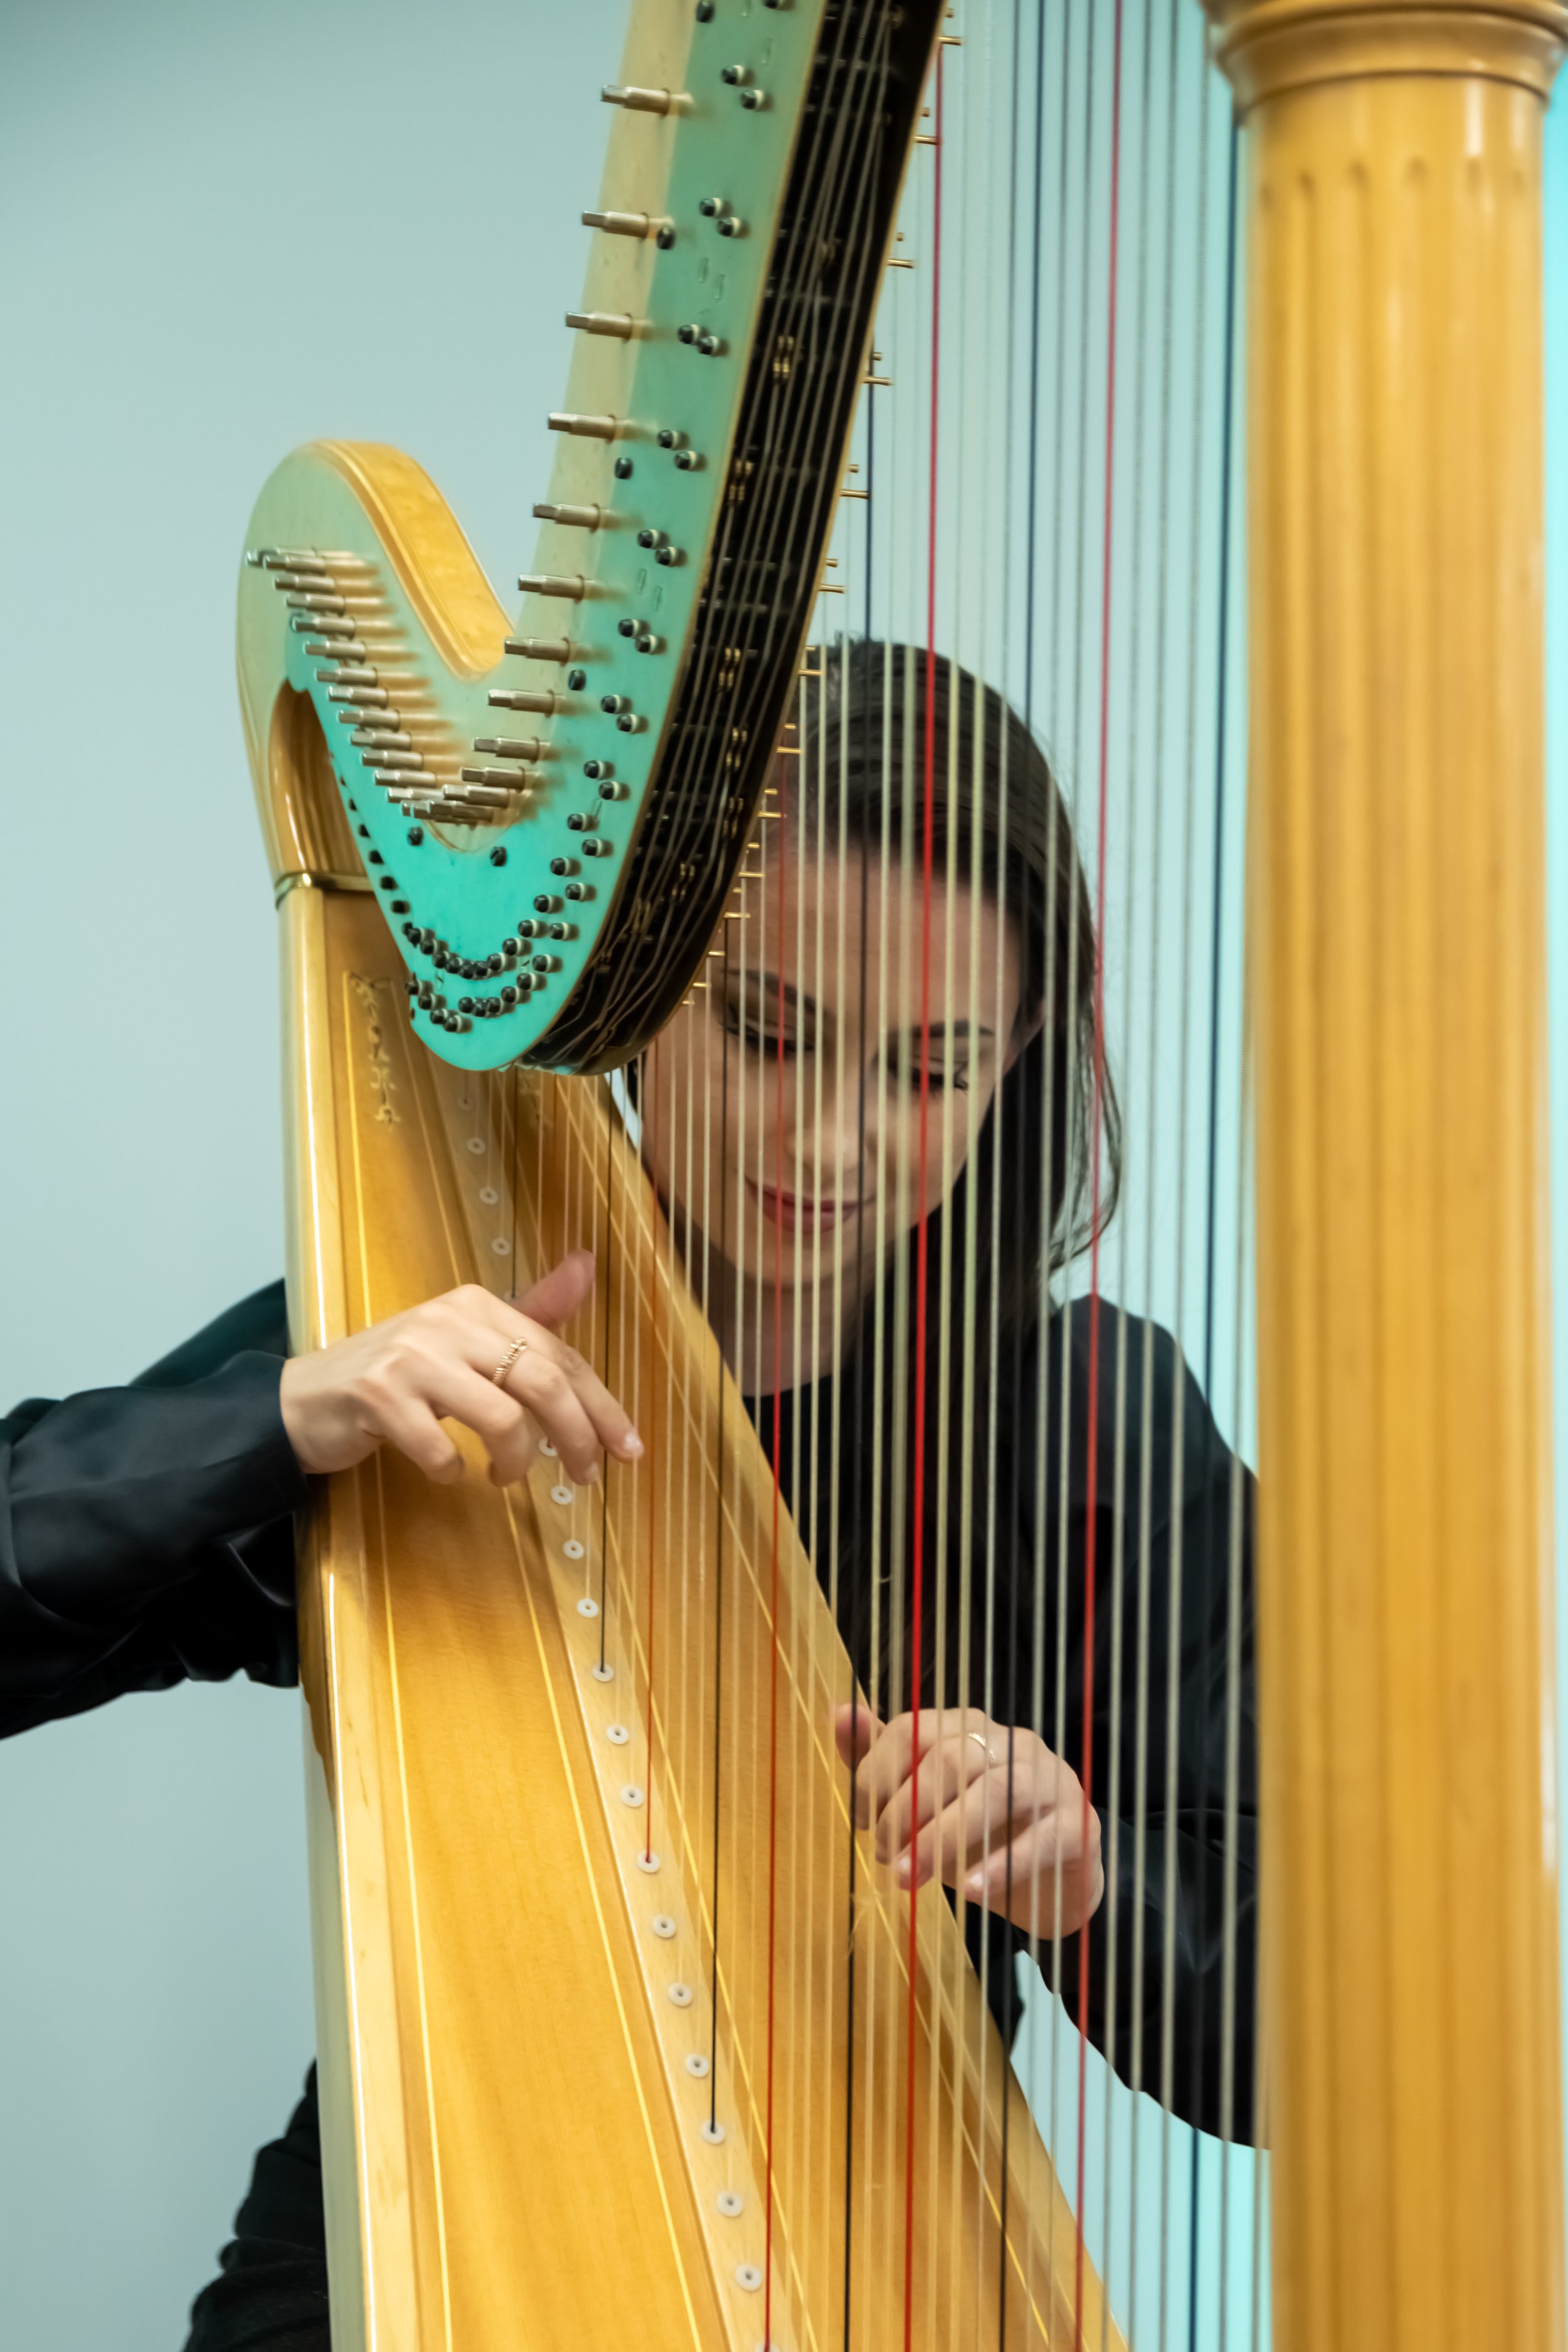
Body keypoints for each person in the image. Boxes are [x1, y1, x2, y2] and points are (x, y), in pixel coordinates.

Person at [0, 644, 1255, 2352]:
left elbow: (1307, 2028)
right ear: (652, 980)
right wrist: (284, 1415)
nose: (829, 1142)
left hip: (862, 2282)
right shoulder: (444, 1332)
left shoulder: (1095, 1432)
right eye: (769, 1030)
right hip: (400, 2246)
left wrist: (1087, 1878)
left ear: (1020, 1058)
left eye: (928, 1069)